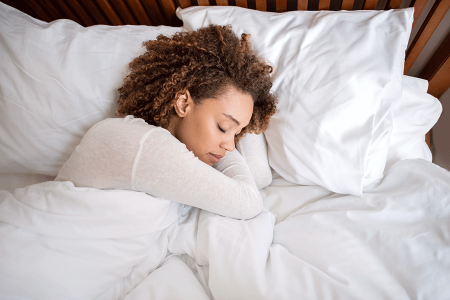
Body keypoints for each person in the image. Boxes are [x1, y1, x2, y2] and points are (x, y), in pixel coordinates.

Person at [55, 24, 278, 219]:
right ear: (182, 104)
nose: (230, 146)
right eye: (223, 127)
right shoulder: (142, 145)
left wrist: (244, 108)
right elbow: (247, 201)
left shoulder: (176, 150)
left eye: (237, 135)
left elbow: (259, 178)